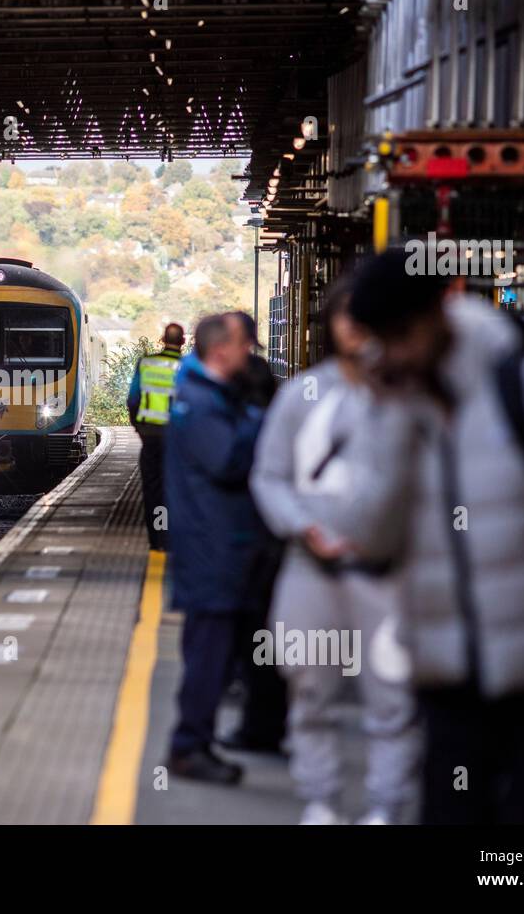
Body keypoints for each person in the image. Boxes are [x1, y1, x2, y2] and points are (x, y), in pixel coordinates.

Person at [328, 251, 524, 825]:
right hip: (443, 676)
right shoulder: (393, 406)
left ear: (440, 311)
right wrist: (385, 421)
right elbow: (370, 536)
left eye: (404, 332)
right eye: (385, 339)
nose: (399, 350)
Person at [250, 280, 419, 824]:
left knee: (392, 698)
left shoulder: (408, 396)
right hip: (311, 569)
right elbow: (270, 476)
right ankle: (321, 801)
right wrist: (302, 527)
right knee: (310, 689)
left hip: (387, 572)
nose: (353, 325)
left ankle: (384, 806)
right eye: (344, 315)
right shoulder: (301, 395)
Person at [164, 312, 263, 784]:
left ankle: (194, 742)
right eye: (246, 344)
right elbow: (226, 459)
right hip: (211, 545)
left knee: (213, 650)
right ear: (221, 350)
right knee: (209, 652)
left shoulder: (206, 395)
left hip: (216, 542)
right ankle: (189, 746)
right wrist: (259, 424)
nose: (252, 352)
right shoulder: (202, 403)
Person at [221, 318, 288, 756]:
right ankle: (266, 717)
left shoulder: (244, 427)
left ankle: (257, 720)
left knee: (246, 624)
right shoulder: (280, 419)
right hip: (275, 542)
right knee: (266, 631)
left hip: (248, 541)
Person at [127, 323, 184, 550]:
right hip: (177, 438)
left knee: (153, 488)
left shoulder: (146, 363)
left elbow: (133, 399)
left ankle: (156, 538)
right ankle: (169, 536)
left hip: (150, 436)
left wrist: (138, 427)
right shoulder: (187, 368)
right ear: (182, 342)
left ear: (162, 340)